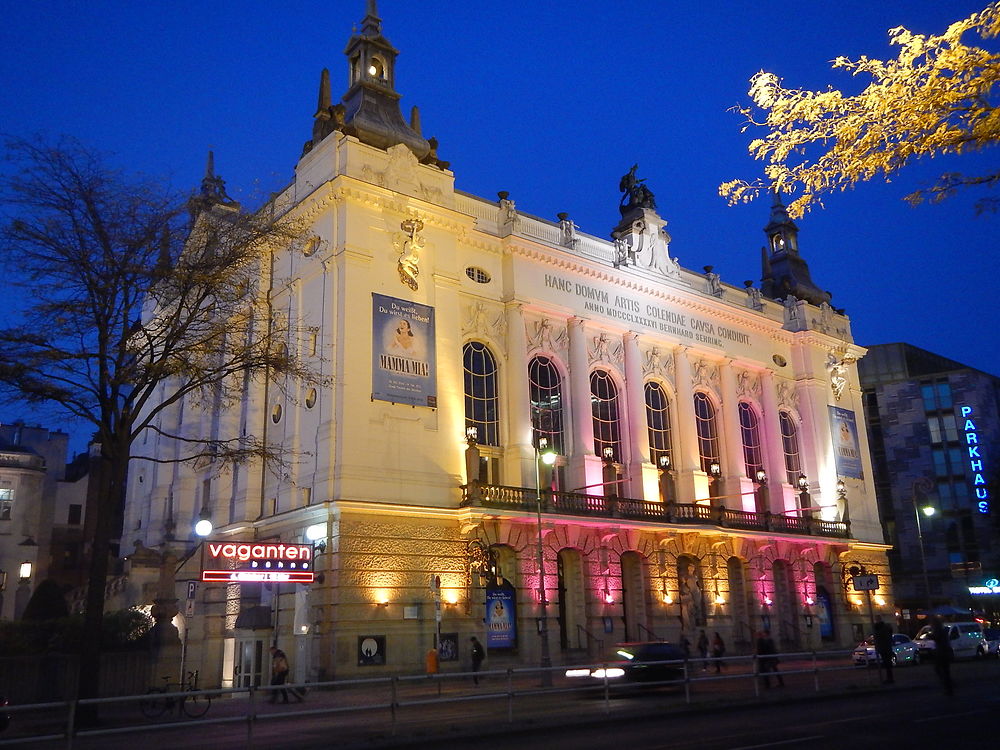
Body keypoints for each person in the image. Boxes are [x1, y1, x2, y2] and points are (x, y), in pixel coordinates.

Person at [930, 616, 954, 696]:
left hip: (942, 653)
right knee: (945, 671)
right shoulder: (942, 630)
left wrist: (932, 636)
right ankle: (948, 686)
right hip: (943, 652)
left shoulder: (939, 631)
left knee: (941, 669)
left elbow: (938, 639)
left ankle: (948, 685)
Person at [873, 616, 894, 684]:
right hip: (885, 648)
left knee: (887, 664)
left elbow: (881, 637)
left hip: (884, 648)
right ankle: (890, 678)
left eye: (876, 620)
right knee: (887, 664)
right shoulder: (885, 628)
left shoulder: (881, 628)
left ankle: (889, 679)